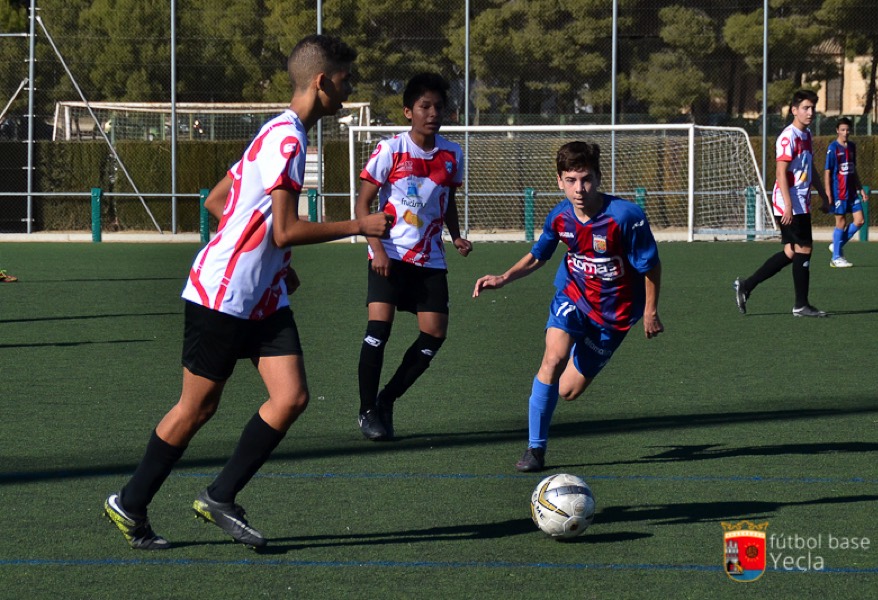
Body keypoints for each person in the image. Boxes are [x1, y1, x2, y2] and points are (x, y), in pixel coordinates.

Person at [103, 34, 392, 551]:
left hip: (263, 296)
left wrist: (274, 266)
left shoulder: (277, 132)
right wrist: (359, 225)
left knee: (291, 397)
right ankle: (131, 501)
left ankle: (220, 496)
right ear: (322, 82)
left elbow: (219, 201)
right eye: (346, 80)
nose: (349, 91)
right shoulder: (288, 140)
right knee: (197, 408)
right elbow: (284, 228)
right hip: (223, 294)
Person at [472, 141, 663, 472]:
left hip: (614, 315)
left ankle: (578, 348)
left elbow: (651, 267)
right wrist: (503, 278)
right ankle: (535, 450)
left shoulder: (626, 217)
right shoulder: (560, 216)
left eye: (586, 179)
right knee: (552, 358)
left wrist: (650, 311)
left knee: (567, 391)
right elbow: (539, 256)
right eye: (571, 180)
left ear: (598, 178)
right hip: (573, 296)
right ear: (559, 180)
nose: (579, 189)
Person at [354, 72, 472, 441]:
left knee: (434, 335)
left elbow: (447, 200)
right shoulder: (390, 150)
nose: (433, 113)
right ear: (408, 111)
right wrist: (376, 249)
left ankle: (387, 399)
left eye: (439, 107)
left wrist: (456, 236)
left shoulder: (452, 154)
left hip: (430, 259)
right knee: (379, 330)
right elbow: (362, 204)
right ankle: (367, 410)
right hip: (388, 253)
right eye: (425, 106)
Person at [734, 89, 829, 318]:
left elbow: (810, 168)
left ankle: (746, 286)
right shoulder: (789, 137)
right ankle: (801, 305)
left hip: (800, 202)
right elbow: (780, 173)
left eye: (812, 108)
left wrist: (823, 194)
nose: (810, 112)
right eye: (805, 108)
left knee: (790, 251)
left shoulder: (806, 135)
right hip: (789, 203)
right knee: (804, 248)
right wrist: (787, 205)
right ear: (794, 110)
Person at [825, 117, 868, 268]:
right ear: (837, 130)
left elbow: (853, 169)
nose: (845, 132)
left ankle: (837, 245)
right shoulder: (832, 148)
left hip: (852, 192)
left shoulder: (851, 147)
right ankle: (836, 258)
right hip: (839, 192)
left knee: (860, 220)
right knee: (841, 222)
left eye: (847, 130)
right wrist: (828, 193)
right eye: (842, 130)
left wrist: (860, 188)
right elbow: (827, 172)